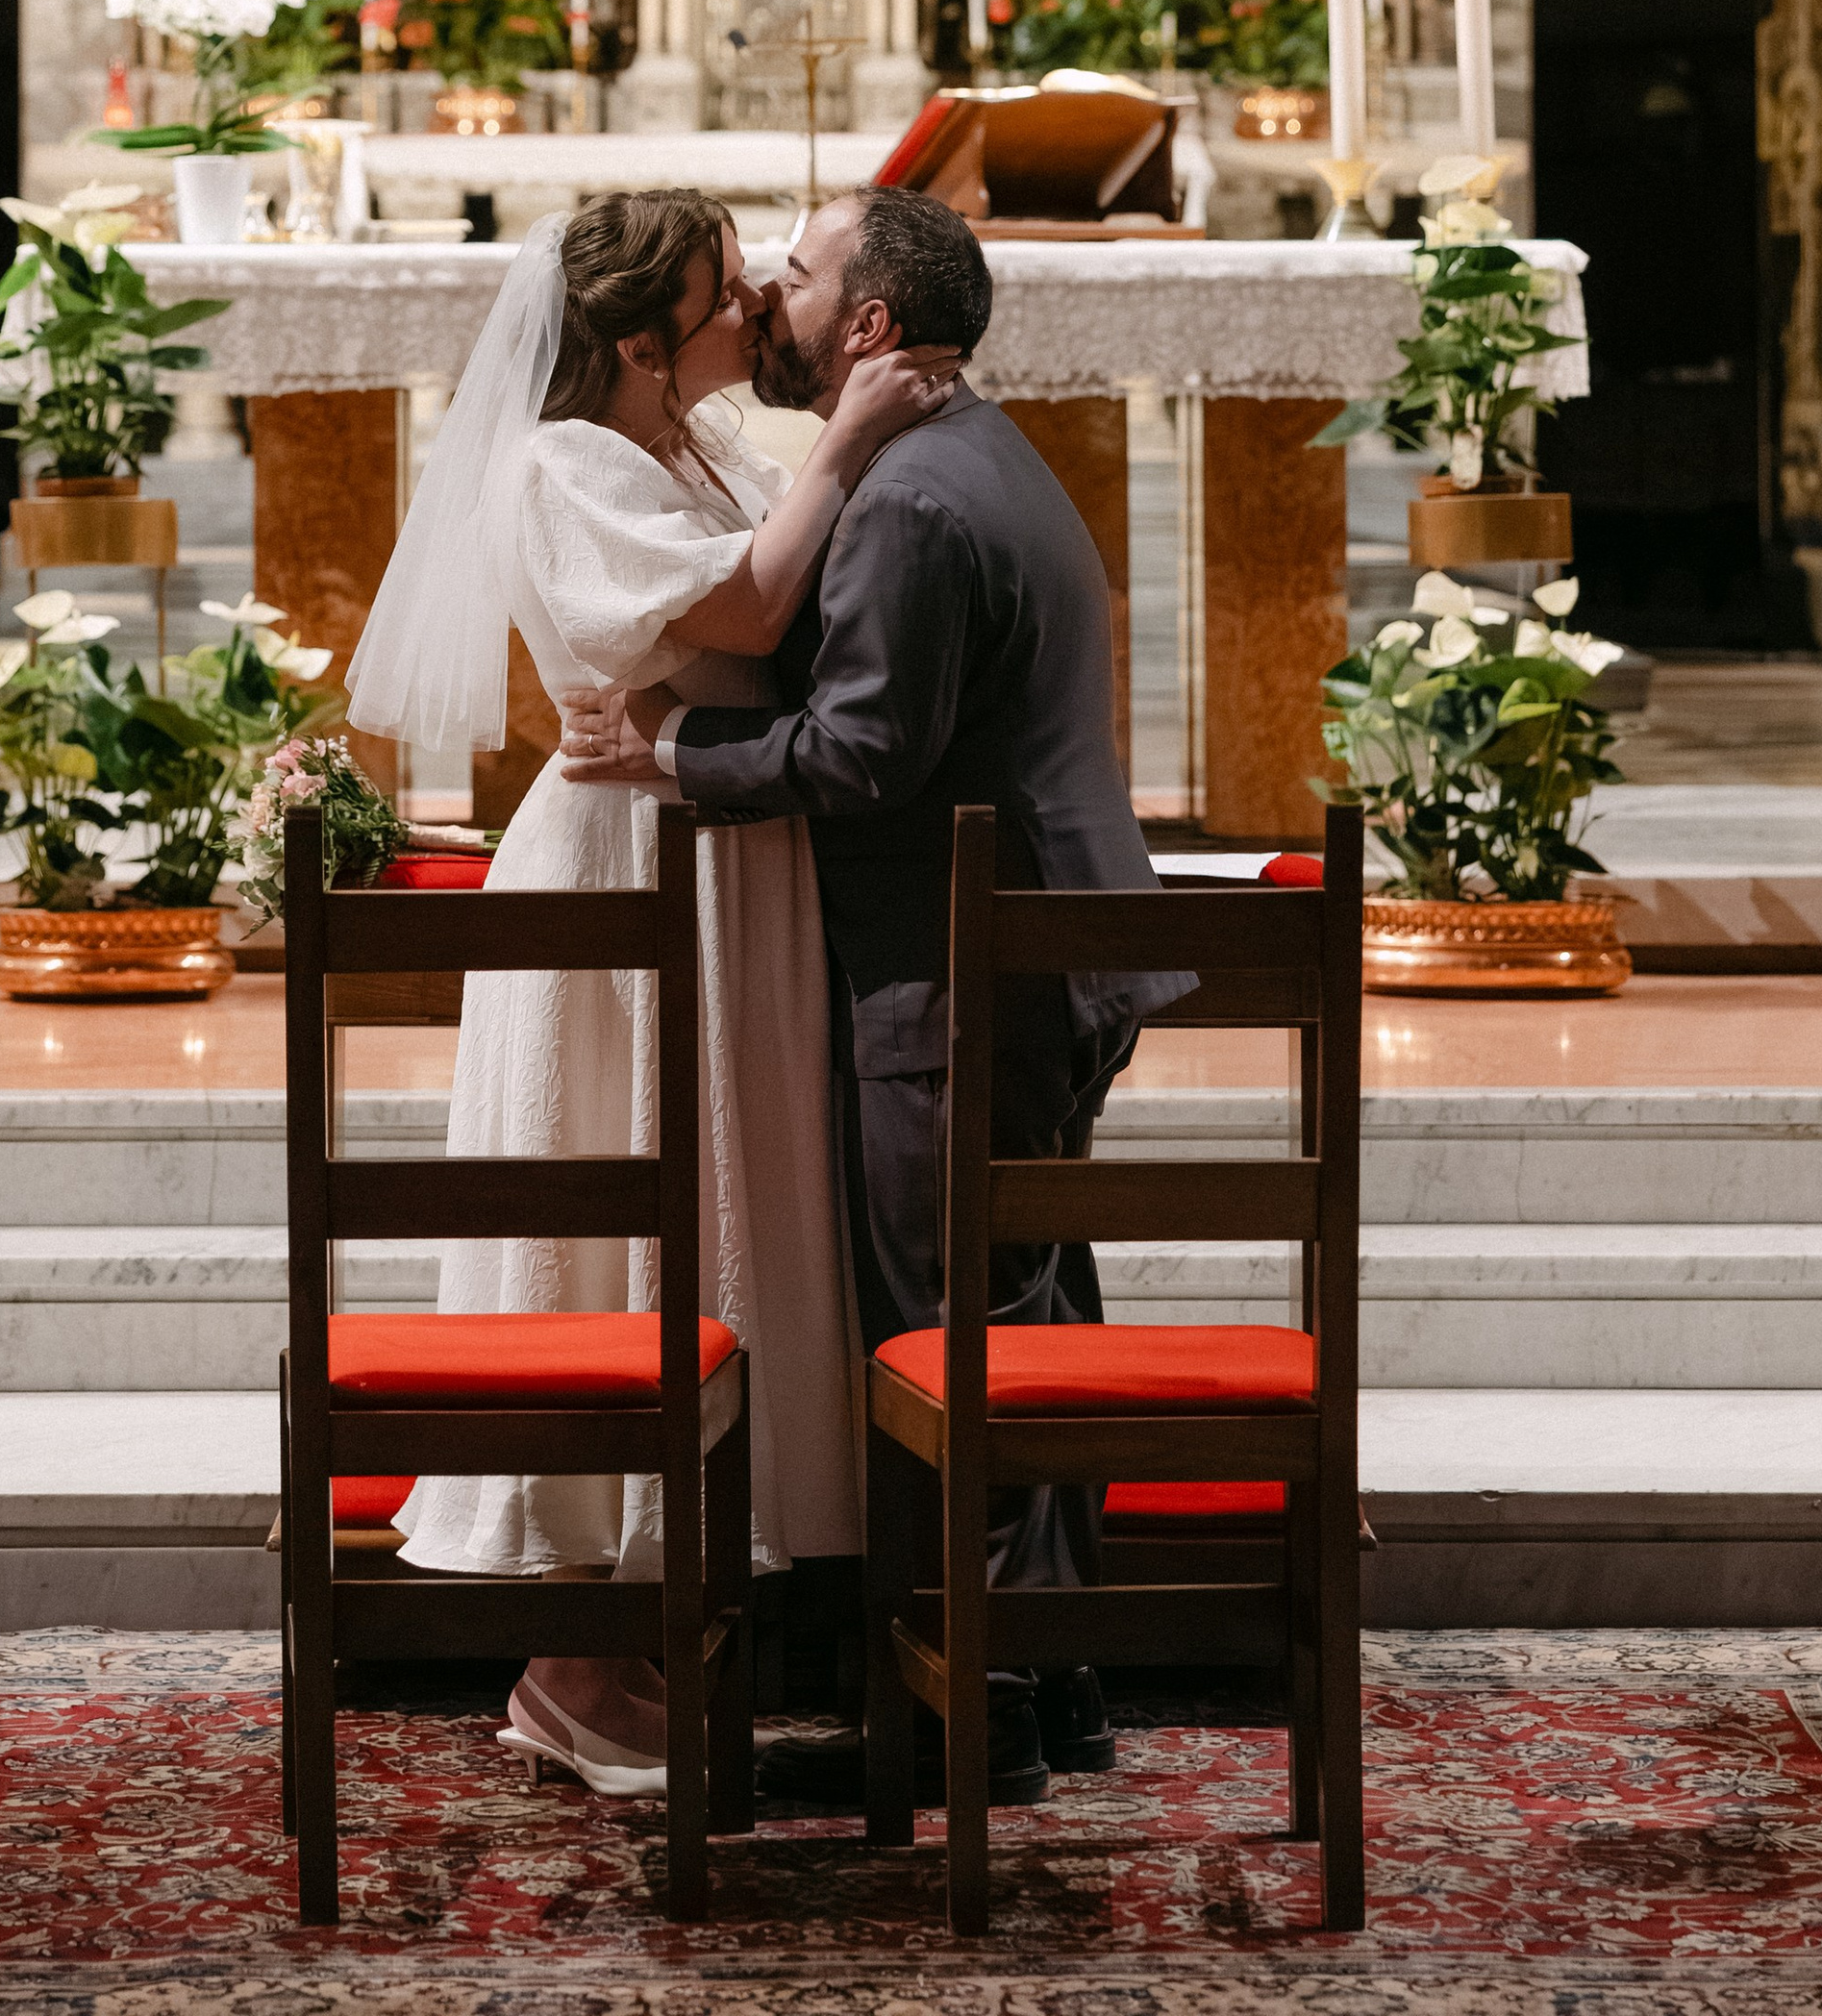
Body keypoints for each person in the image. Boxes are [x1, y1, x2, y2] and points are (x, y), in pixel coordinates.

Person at [562, 186, 1191, 1809]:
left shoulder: (907, 495)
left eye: (794, 275)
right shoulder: (970, 447)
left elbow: (860, 754)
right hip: (1033, 949)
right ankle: (1052, 1675)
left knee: (954, 1333)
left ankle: (980, 1703)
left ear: (867, 324)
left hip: (966, 969)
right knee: (1029, 1312)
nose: (764, 297)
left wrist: (671, 747)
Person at [341, 187, 957, 1799]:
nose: (751, 303)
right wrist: (848, 443)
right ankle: (571, 1662)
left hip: (723, 853)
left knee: (713, 1207)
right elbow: (744, 609)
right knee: (626, 1218)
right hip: (627, 867)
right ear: (636, 342)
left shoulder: (697, 445)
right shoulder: (566, 461)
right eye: (721, 290)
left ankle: (656, 1628)